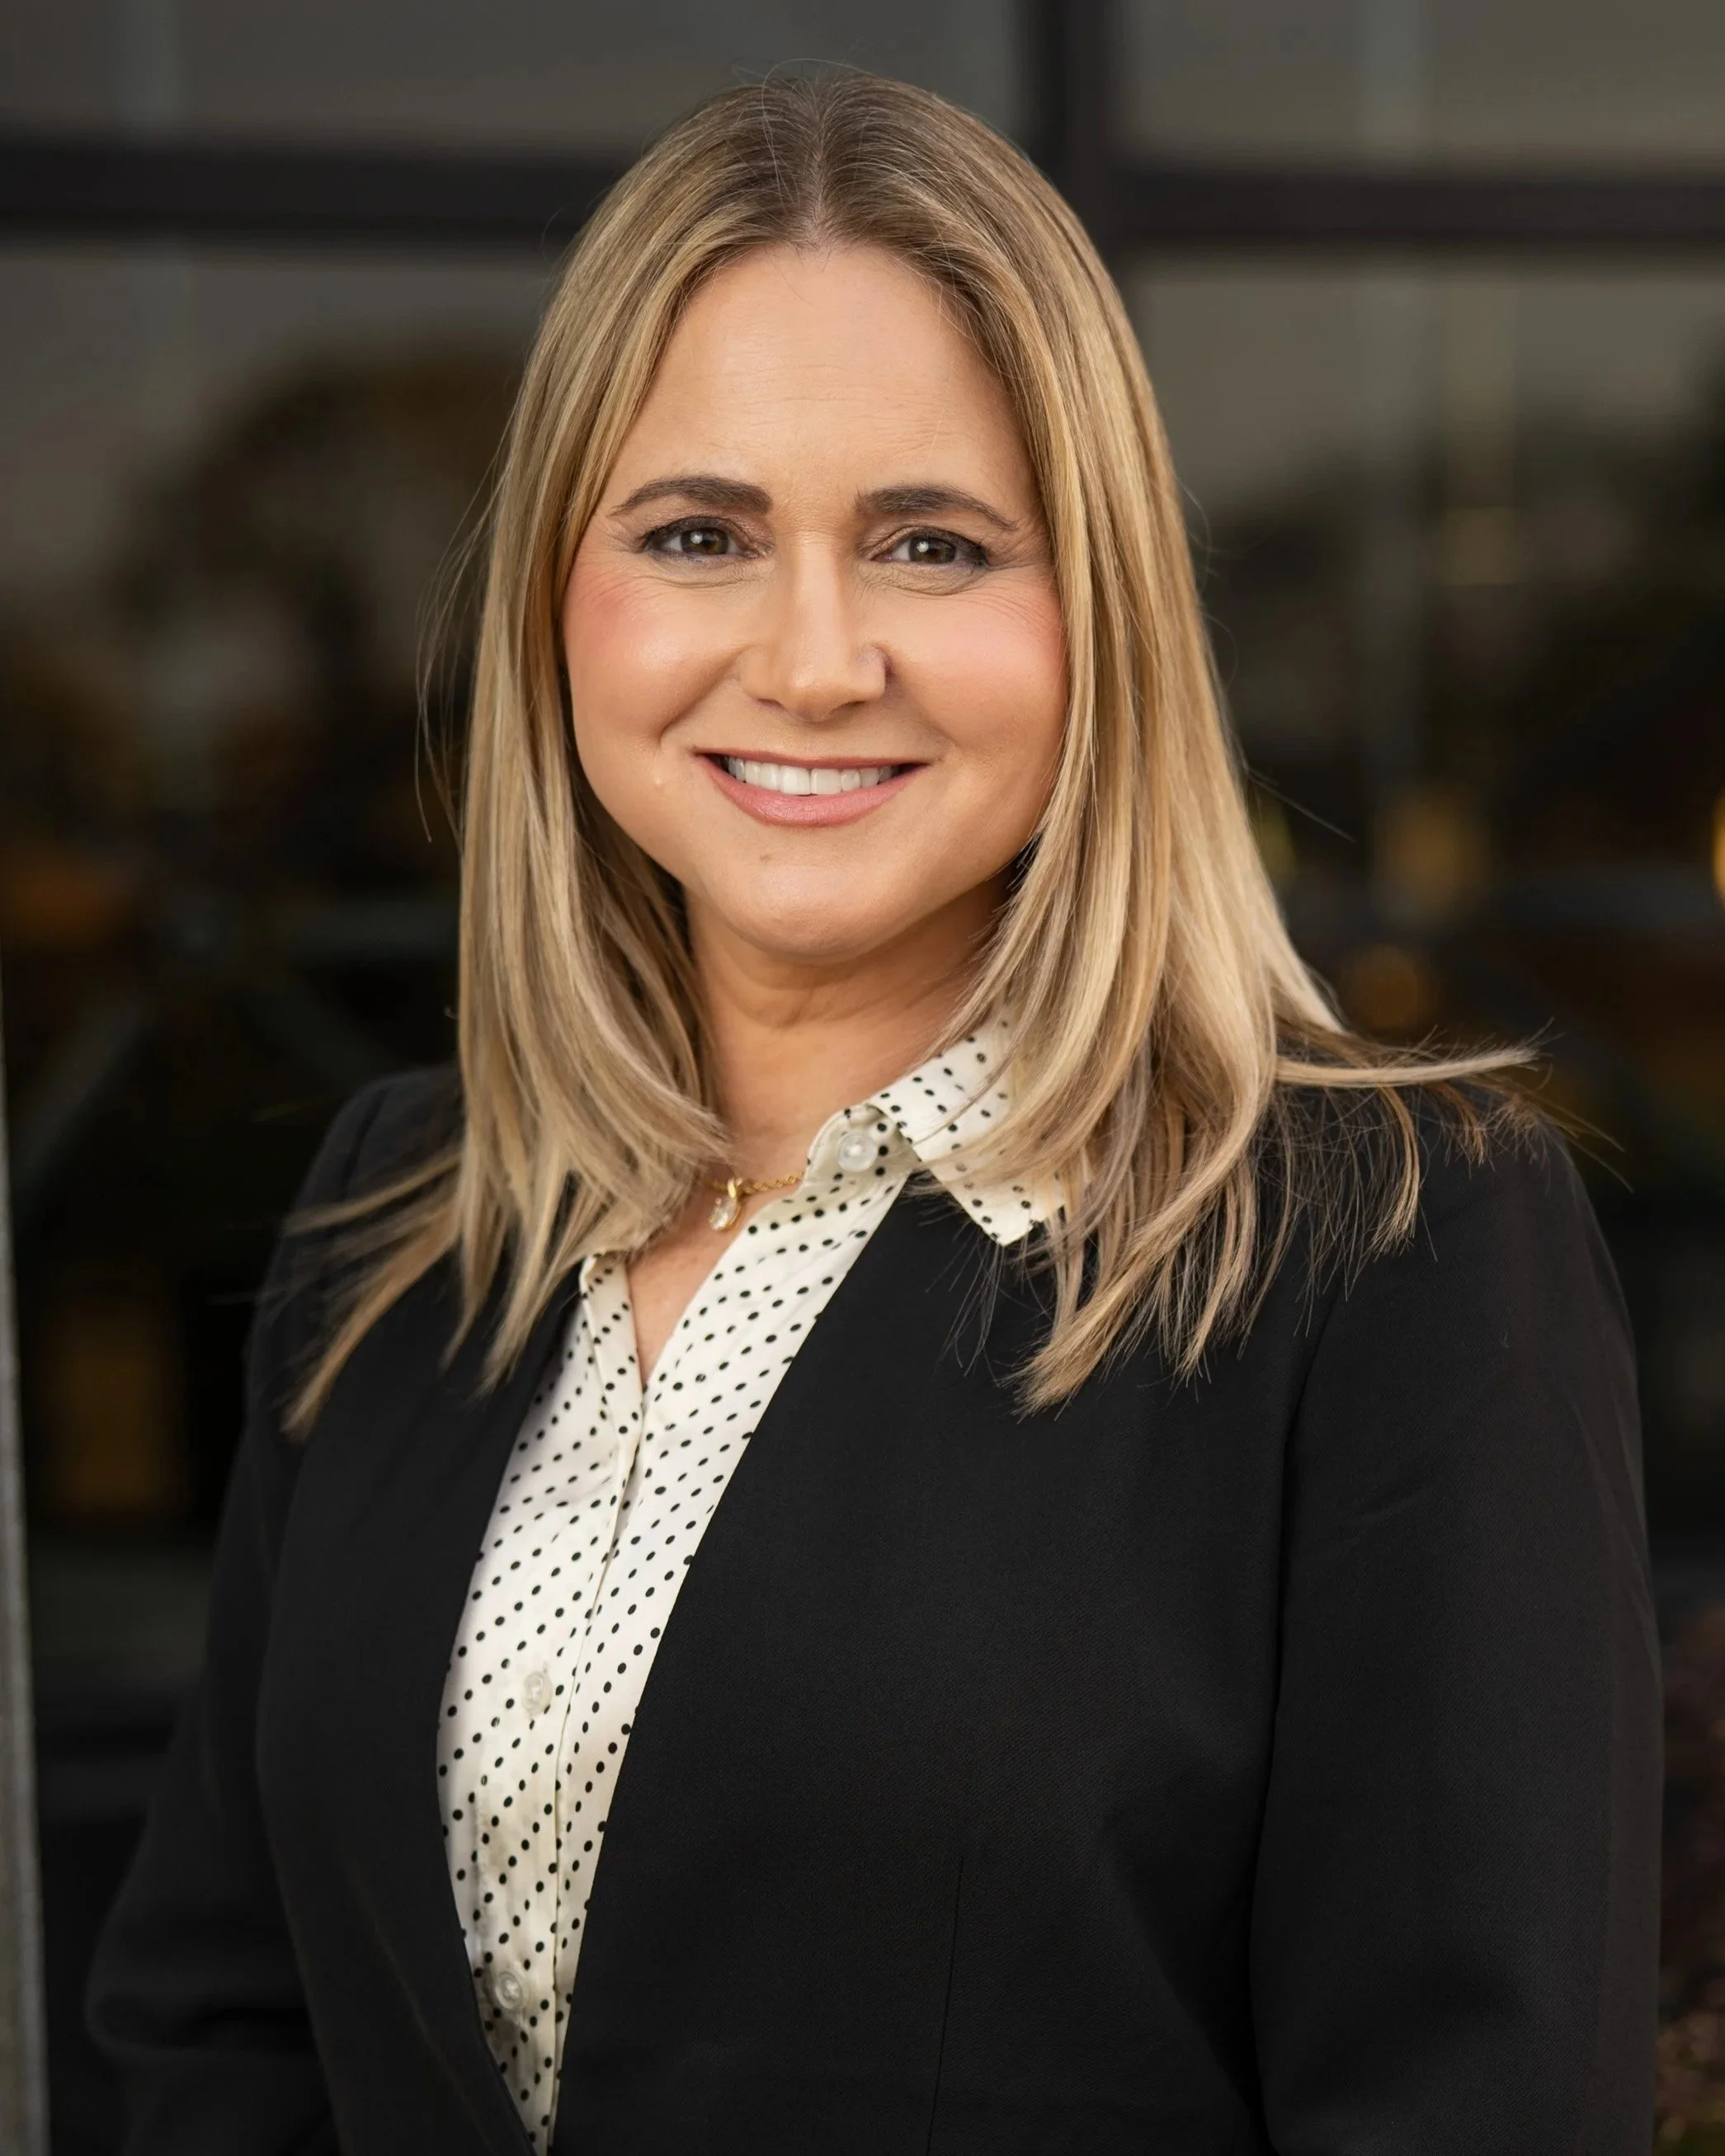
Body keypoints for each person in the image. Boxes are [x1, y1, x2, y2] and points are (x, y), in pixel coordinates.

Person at [88, 71, 1660, 2156]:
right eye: (699, 535)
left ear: (1097, 612)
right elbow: (220, 2019)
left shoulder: (1390, 1249)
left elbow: (1470, 2104)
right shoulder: (407, 1206)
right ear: (558, 592)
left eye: (933, 543)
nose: (815, 660)